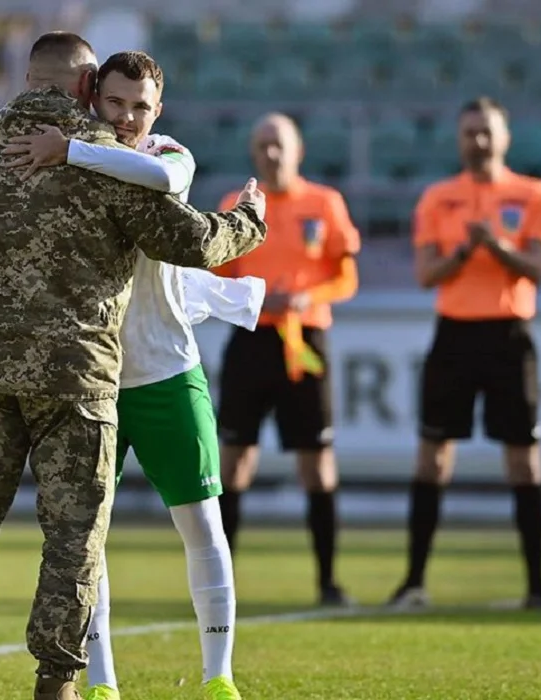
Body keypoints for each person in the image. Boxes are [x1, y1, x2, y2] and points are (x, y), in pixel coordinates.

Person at [0, 32, 267, 700]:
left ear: (28, 78)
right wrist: (250, 219)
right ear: (86, 87)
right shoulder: (108, 164)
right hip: (75, 383)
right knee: (72, 540)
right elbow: (193, 241)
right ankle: (57, 685)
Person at [389, 96, 541, 612]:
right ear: (459, 139)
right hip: (455, 335)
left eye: (487, 131)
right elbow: (427, 274)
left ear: (505, 137)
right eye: (470, 132)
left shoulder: (534, 195)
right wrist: (466, 251)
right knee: (433, 457)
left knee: (523, 460)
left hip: (510, 335)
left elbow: (537, 268)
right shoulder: (438, 198)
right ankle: (414, 581)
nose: (479, 141)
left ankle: (538, 586)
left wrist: (495, 245)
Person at [212, 113, 361, 607]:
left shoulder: (325, 203)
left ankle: (328, 582)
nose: (271, 154)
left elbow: (346, 278)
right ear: (253, 153)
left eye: (279, 144)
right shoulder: (236, 205)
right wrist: (257, 299)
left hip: (305, 343)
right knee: (234, 462)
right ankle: (222, 583)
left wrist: (305, 297)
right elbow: (218, 282)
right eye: (262, 145)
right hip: (251, 341)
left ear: (299, 150)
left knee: (317, 463)